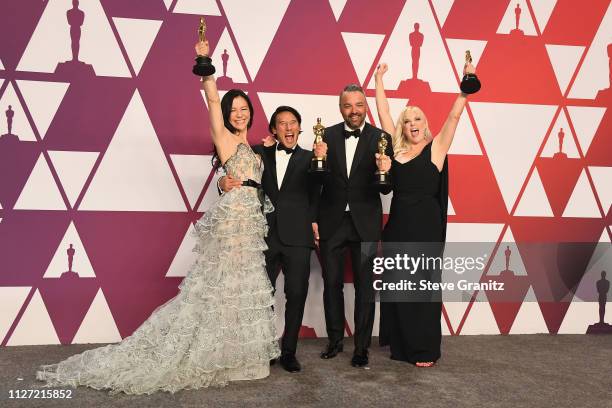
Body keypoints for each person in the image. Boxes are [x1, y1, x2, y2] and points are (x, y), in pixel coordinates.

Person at [36, 39, 280, 394]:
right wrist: (205, 63)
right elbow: (212, 100)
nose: (240, 113)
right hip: (231, 223)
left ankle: (241, 357)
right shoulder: (225, 138)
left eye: (245, 109)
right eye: (235, 109)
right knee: (222, 287)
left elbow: (255, 179)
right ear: (228, 113)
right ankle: (217, 355)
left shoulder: (255, 147)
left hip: (250, 221)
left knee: (240, 288)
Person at [374, 61, 475, 367]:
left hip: (426, 228)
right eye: (407, 121)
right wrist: (379, 79)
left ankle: (425, 349)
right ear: (403, 128)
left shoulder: (437, 148)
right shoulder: (395, 150)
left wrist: (465, 88)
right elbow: (383, 113)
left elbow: (454, 117)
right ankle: (403, 346)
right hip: (399, 226)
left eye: (417, 119)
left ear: (424, 123)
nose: (412, 124)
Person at [219, 106, 323, 373]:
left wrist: (313, 221)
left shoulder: (313, 158)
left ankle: (289, 352)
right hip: (263, 234)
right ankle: (264, 348)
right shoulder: (259, 152)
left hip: (298, 237)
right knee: (261, 295)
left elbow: (320, 191)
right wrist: (222, 182)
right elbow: (234, 168)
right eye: (282, 124)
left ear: (300, 128)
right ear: (273, 130)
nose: (288, 128)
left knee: (296, 294)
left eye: (293, 123)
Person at [315, 84, 393, 368]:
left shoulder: (381, 138)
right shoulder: (327, 136)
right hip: (332, 222)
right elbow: (317, 183)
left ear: (365, 106)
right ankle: (335, 341)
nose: (354, 111)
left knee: (366, 288)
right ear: (340, 108)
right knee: (331, 284)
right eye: (348, 105)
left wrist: (386, 171)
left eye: (359, 105)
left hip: (366, 224)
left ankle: (361, 348)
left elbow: (386, 189)